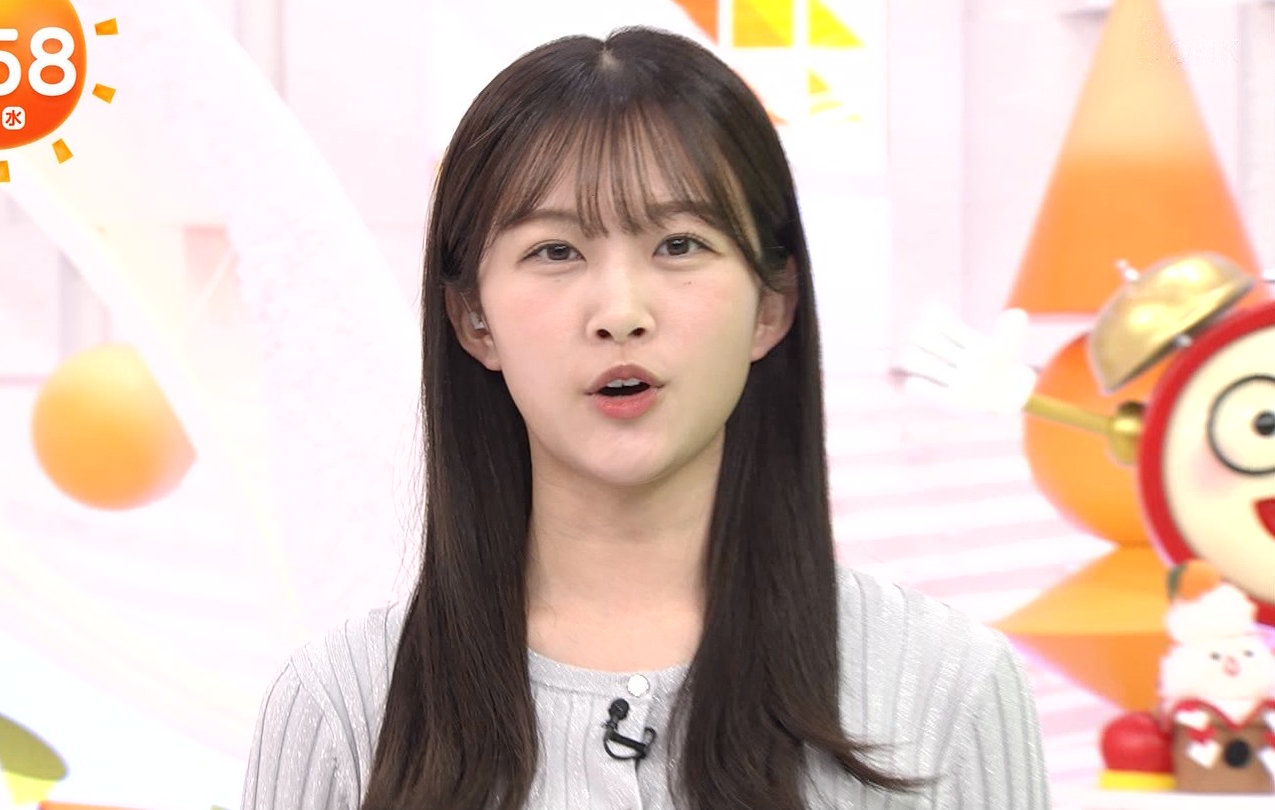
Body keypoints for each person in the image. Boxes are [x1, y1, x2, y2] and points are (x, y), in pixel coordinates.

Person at [241, 26, 1051, 810]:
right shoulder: (341, 711)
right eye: (556, 251)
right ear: (473, 320)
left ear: (772, 305)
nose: (620, 313)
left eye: (679, 244)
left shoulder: (948, 688)